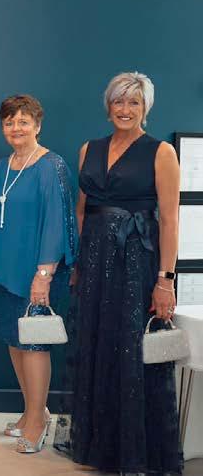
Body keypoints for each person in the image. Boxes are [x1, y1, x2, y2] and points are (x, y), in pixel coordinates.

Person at [67, 72, 182, 473]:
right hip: (94, 261)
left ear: (146, 108)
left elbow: (169, 220)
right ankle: (100, 448)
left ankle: (135, 454)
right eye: (119, 101)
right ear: (108, 105)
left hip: (137, 261)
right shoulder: (89, 149)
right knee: (98, 344)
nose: (125, 109)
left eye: (134, 102)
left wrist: (165, 280)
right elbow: (82, 211)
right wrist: (78, 262)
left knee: (132, 350)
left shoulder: (161, 152)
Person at [0, 94, 77, 453]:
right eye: (9, 122)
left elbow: (56, 222)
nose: (15, 128)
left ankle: (38, 421)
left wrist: (44, 274)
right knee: (14, 340)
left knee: (34, 344)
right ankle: (30, 410)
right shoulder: (2, 165)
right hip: (4, 269)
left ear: (37, 125)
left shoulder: (51, 165)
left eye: (23, 121)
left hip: (36, 270)